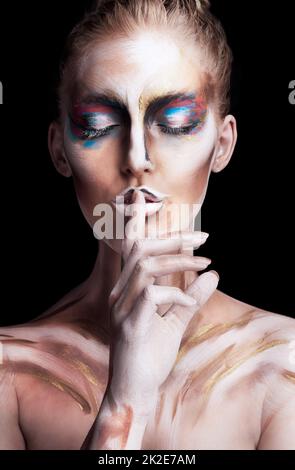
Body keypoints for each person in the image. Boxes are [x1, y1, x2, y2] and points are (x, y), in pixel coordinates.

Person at [0, 0, 294, 450]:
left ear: (222, 145)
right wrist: (124, 403)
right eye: (97, 125)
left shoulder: (282, 362)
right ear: (59, 150)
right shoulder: (9, 375)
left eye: (176, 123)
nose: (137, 158)